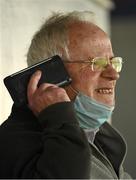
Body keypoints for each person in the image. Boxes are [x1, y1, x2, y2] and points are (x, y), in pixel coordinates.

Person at [0, 11, 132, 179]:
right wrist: (58, 117)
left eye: (113, 62)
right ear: (50, 74)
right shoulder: (15, 144)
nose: (114, 74)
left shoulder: (96, 136)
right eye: (97, 63)